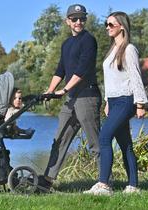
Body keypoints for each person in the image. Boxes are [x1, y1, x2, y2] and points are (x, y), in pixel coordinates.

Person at [38, 3, 102, 192]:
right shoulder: (67, 44)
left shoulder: (89, 40)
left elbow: (82, 70)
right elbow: (61, 69)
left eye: (82, 18)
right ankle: (48, 180)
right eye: (74, 19)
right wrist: (50, 91)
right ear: (67, 21)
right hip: (71, 99)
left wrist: (64, 90)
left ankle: (105, 181)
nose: (78, 22)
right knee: (60, 140)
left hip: (87, 97)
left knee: (95, 142)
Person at [83, 11, 148, 195]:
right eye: (106, 24)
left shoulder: (129, 49)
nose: (107, 27)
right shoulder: (113, 49)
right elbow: (111, 79)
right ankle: (133, 186)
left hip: (126, 100)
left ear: (122, 26)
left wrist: (140, 104)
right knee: (125, 144)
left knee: (104, 138)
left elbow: (136, 77)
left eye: (111, 24)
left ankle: (104, 185)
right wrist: (107, 101)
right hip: (114, 101)